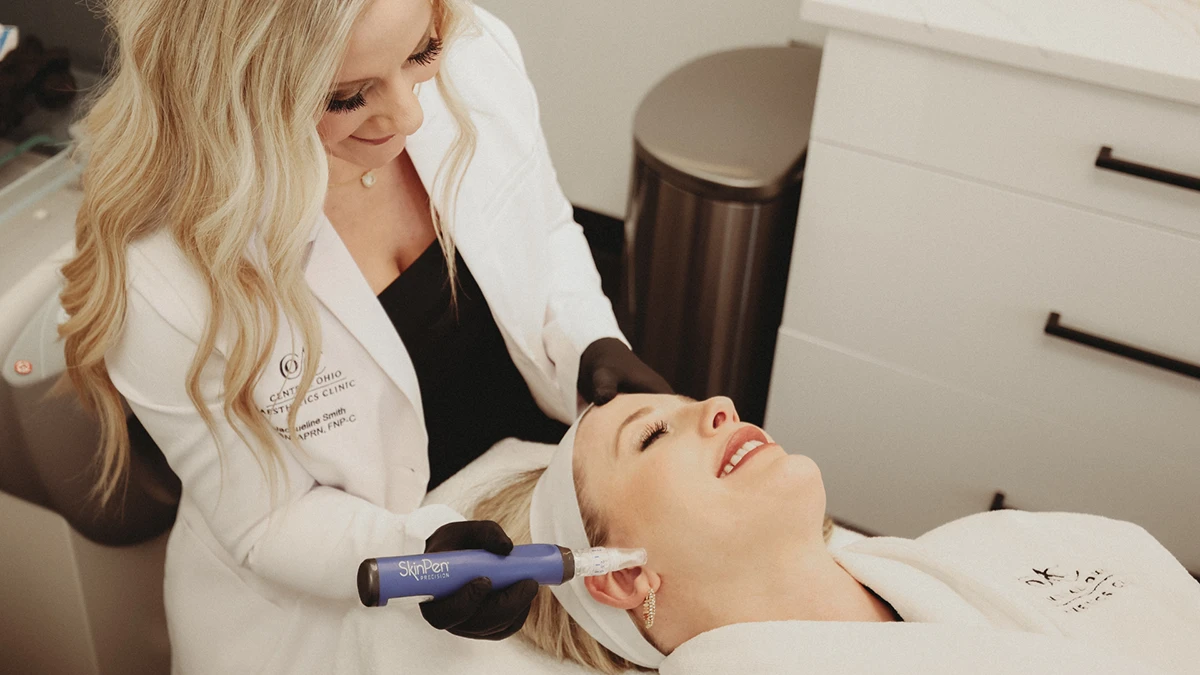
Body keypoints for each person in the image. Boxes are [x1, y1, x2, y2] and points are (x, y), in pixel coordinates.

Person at [56, 0, 669, 672]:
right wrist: (418, 552)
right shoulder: (161, 269)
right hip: (319, 612)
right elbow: (269, 520)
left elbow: (542, 225)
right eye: (347, 97)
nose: (409, 115)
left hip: (520, 481)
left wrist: (587, 340)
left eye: (422, 53)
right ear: (234, 88)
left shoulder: (476, 53)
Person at [474, 394, 1200, 674]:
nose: (720, 405)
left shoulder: (999, 543)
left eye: (693, 400)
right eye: (653, 434)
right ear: (623, 573)